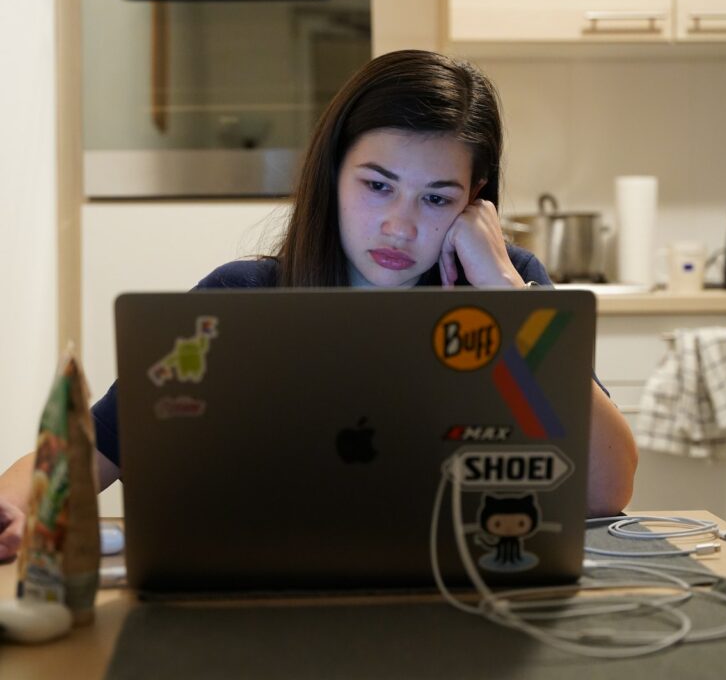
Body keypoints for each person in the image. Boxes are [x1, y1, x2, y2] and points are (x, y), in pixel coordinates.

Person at [0, 50, 637, 562]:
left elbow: (607, 489)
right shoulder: (239, 303)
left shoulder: (510, 292)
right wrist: (14, 510)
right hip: (263, 614)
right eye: (378, 185)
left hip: (464, 603)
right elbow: (78, 461)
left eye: (437, 199)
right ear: (332, 173)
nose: (399, 225)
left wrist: (501, 289)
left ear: (477, 200)